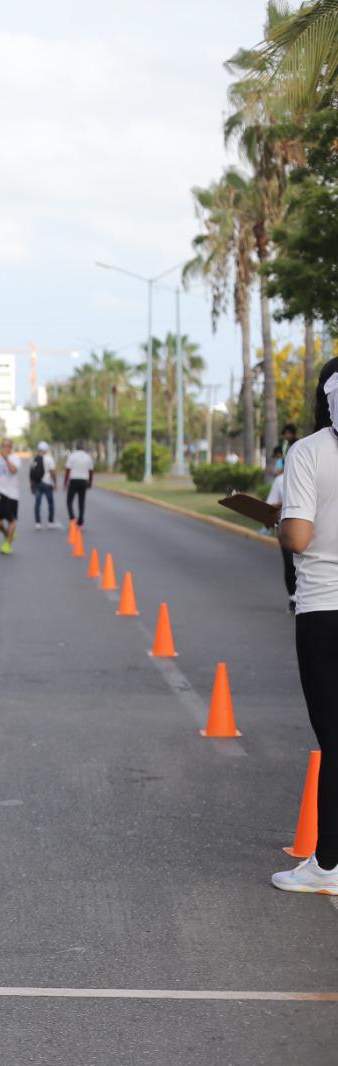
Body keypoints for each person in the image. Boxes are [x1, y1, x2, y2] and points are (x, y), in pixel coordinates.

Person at [273, 358, 338, 895]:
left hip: (323, 610)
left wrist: (277, 523)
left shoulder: (309, 452)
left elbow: (297, 537)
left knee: (334, 738)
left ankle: (328, 865)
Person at [267, 447, 295, 612]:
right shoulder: (280, 481)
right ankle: (293, 598)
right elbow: (272, 503)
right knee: (290, 564)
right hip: (286, 527)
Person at [64, 442, 95, 528]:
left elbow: (67, 470)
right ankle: (80, 520)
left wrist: (65, 483)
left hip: (74, 480)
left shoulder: (72, 456)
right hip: (84, 480)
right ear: (83, 448)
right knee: (81, 501)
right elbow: (91, 471)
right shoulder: (87, 456)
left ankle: (72, 518)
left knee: (69, 501)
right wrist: (90, 482)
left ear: (76, 448)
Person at [29, 440, 58, 530]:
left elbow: (31, 473)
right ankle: (50, 522)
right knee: (50, 503)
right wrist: (55, 483)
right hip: (47, 483)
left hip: (37, 484)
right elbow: (53, 472)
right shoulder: (49, 458)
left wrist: (31, 485)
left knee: (37, 503)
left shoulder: (34, 459)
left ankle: (38, 523)